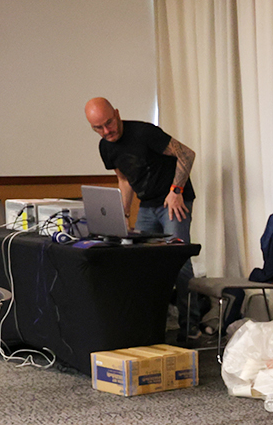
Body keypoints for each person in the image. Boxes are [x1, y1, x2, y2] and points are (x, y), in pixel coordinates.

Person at [84, 97, 204, 340]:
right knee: (139, 261)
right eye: (99, 127)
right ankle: (149, 327)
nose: (107, 131)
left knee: (179, 261)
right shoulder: (105, 147)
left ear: (117, 113)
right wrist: (123, 214)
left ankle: (191, 328)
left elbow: (187, 155)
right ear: (92, 128)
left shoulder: (144, 132)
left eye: (110, 123)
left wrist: (176, 192)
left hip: (174, 201)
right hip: (147, 205)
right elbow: (125, 179)